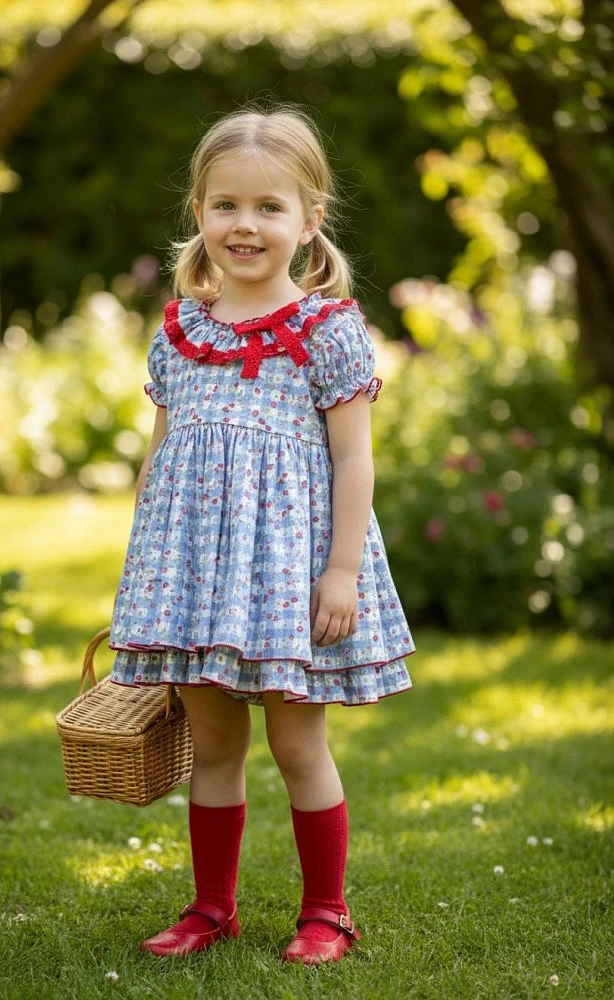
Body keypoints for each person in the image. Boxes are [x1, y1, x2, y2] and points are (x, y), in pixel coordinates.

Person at [107, 103, 416, 965]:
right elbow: (162, 454)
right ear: (199, 213)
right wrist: (146, 568)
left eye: (268, 207)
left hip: (286, 575)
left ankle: (326, 912)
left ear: (309, 220)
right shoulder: (182, 332)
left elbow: (354, 459)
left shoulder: (326, 331)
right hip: (193, 574)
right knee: (213, 741)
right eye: (226, 205)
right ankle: (212, 907)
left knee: (296, 742)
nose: (245, 225)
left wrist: (341, 571)